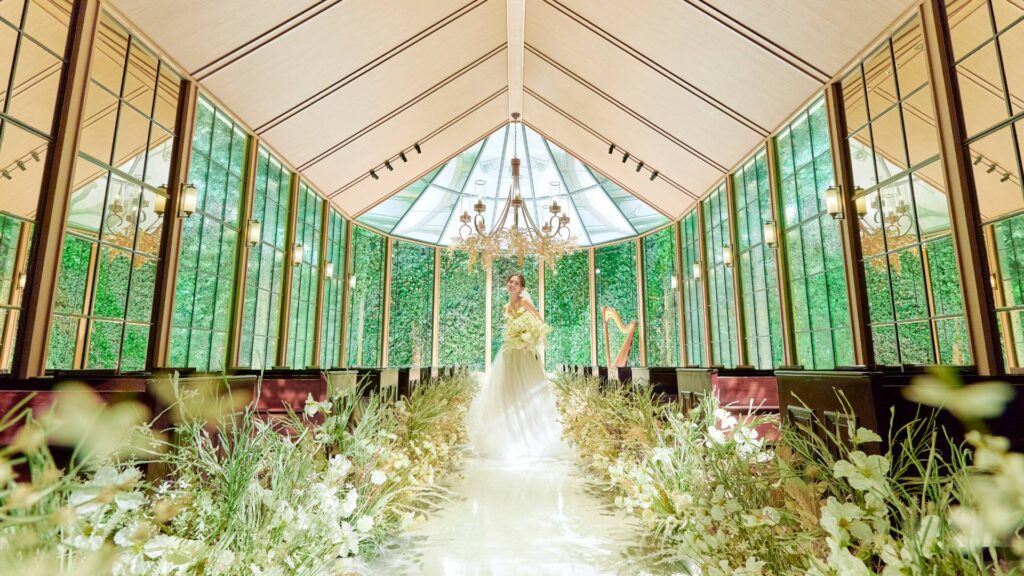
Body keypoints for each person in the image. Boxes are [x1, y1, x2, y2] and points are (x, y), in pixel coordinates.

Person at [466, 273, 567, 461]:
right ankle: (510, 435)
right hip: (509, 352)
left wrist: (528, 337)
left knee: (526, 389)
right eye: (511, 282)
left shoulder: (525, 303)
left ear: (521, 288)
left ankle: (529, 435)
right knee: (507, 390)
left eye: (517, 283)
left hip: (524, 352)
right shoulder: (506, 307)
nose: (512, 285)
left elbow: (540, 323)